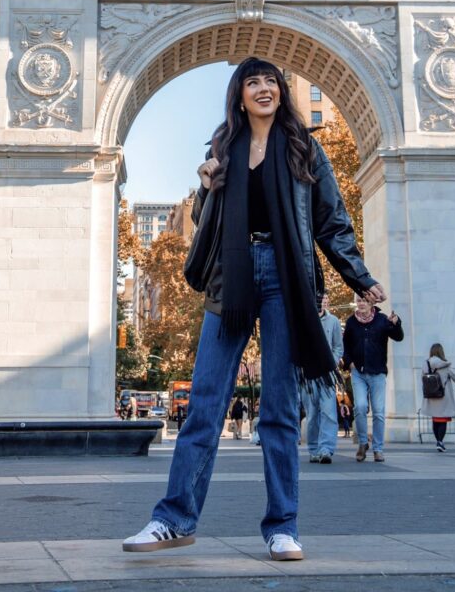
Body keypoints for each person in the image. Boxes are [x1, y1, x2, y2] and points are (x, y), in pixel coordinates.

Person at [123, 57, 385, 561]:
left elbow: (332, 222)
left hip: (287, 281)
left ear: (282, 91)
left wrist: (360, 277)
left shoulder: (307, 148)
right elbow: (207, 218)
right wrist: (205, 184)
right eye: (253, 82)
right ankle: (173, 519)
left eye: (271, 81)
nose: (263, 89)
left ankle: (282, 526)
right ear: (239, 94)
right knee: (203, 403)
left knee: (281, 412)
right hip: (233, 278)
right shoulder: (222, 147)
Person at [343, 293, 403, 463]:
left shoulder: (382, 320)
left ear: (372, 303)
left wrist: (396, 323)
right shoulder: (351, 322)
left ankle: (378, 448)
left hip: (377, 372)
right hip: (358, 372)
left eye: (365, 301)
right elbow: (345, 346)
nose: (361, 304)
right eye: (359, 301)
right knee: (360, 407)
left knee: (378, 412)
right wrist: (349, 363)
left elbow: (398, 337)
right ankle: (363, 443)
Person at [302, 292, 343, 464]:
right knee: (312, 415)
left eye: (325, 300)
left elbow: (338, 347)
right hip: (309, 374)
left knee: (329, 413)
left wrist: (330, 363)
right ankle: (313, 449)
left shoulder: (333, 321)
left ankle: (326, 449)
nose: (322, 303)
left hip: (327, 374)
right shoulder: (304, 320)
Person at [421, 344, 455, 452]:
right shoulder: (445, 365)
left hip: (431, 396)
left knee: (435, 419)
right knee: (443, 419)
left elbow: (423, 379)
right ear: (441, 352)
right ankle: (440, 441)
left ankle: (438, 441)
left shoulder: (426, 364)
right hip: (443, 396)